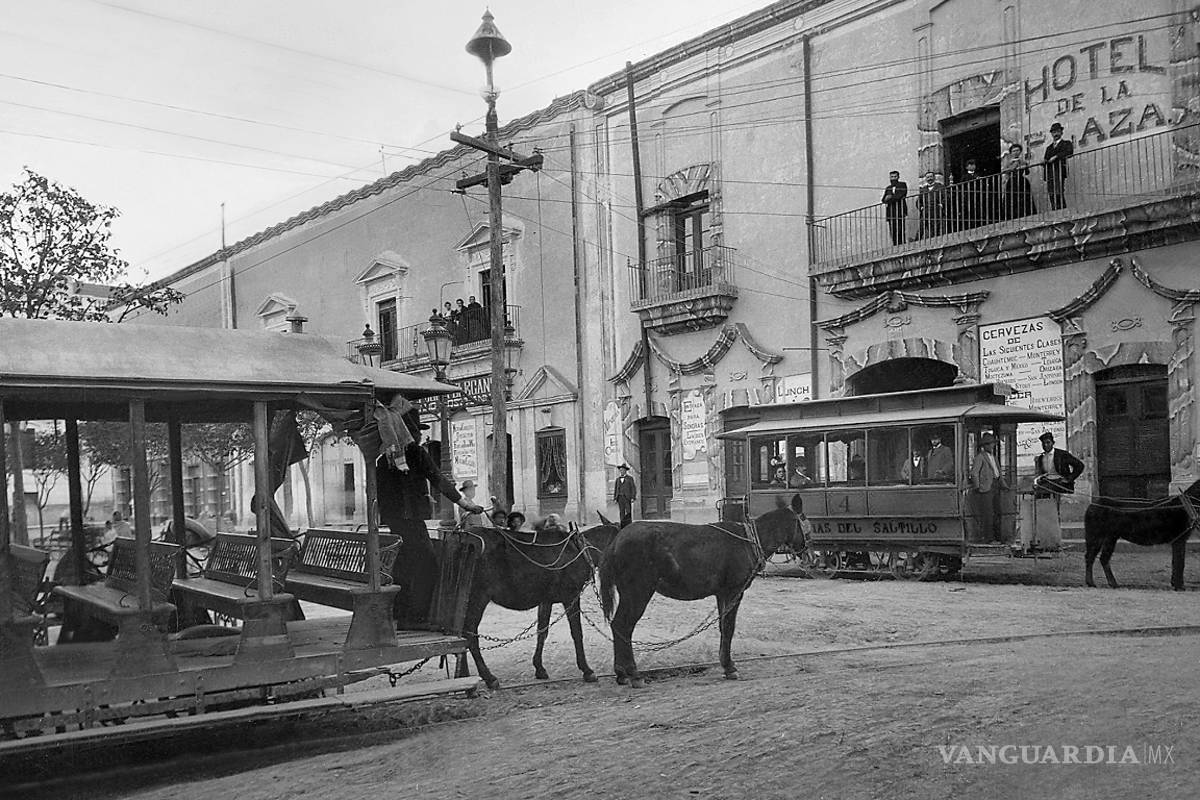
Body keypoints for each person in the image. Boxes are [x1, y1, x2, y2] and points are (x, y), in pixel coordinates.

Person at [376, 411, 485, 628]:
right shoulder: (414, 452)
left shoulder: (384, 457)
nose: (417, 436)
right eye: (415, 431)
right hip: (411, 521)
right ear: (406, 431)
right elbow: (438, 478)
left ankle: (401, 615)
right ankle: (418, 618)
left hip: (395, 522)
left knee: (404, 567)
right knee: (428, 566)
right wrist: (466, 504)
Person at [970, 432, 1006, 542]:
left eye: (993, 444)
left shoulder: (993, 457)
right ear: (985, 446)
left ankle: (998, 537)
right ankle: (988, 538)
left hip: (995, 485)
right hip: (985, 488)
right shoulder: (980, 457)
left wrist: (1002, 483)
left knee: (997, 512)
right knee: (988, 514)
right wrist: (977, 487)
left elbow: (998, 471)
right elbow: (974, 473)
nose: (992, 446)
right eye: (990, 444)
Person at [1033, 432, 1084, 498]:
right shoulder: (1041, 457)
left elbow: (1080, 465)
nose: (1045, 445)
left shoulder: (1062, 454)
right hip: (1047, 483)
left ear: (1053, 443)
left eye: (1048, 442)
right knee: (1038, 496)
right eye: (1043, 443)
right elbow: (1041, 474)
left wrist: (1069, 479)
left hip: (1061, 484)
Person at [1002, 143, 1037, 220]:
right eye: (1014, 151)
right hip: (1012, 182)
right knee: (1012, 199)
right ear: (1011, 153)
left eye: (1017, 150)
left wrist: (1025, 166)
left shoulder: (1023, 161)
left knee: (1024, 198)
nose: (1016, 152)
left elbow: (1027, 172)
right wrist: (1013, 166)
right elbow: (1004, 171)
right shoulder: (1009, 162)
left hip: (1021, 181)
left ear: (1020, 151)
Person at [1043, 122, 1073, 210]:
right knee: (1051, 192)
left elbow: (1069, 152)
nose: (1055, 134)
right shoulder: (1049, 148)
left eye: (1057, 132)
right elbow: (1046, 158)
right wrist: (1044, 161)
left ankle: (1062, 210)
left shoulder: (1066, 143)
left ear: (1061, 133)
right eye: (1053, 132)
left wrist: (1056, 157)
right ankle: (1054, 210)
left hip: (1059, 170)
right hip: (1050, 172)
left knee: (1058, 190)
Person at [881, 170, 908, 246]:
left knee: (900, 229)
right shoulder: (888, 188)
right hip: (891, 212)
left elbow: (900, 195)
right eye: (892, 177)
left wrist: (890, 198)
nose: (893, 178)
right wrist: (887, 199)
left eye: (895, 176)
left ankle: (902, 244)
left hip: (900, 210)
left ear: (898, 177)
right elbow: (883, 200)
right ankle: (895, 245)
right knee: (892, 231)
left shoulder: (902, 184)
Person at [916, 171, 945, 239]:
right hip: (925, 211)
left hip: (936, 210)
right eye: (928, 177)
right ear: (926, 179)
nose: (929, 179)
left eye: (931, 177)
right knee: (921, 227)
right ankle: (916, 242)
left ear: (934, 177)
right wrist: (921, 207)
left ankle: (934, 240)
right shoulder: (923, 189)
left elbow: (945, 197)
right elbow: (918, 201)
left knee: (935, 228)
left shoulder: (940, 186)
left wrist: (942, 204)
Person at [614, 463, 637, 528]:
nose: (621, 471)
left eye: (622, 470)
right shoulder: (618, 479)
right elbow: (616, 489)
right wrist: (615, 498)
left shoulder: (630, 478)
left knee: (628, 511)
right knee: (621, 511)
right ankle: (622, 525)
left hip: (627, 497)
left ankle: (629, 524)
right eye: (620, 470)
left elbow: (633, 488)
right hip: (620, 497)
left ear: (625, 471)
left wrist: (633, 497)